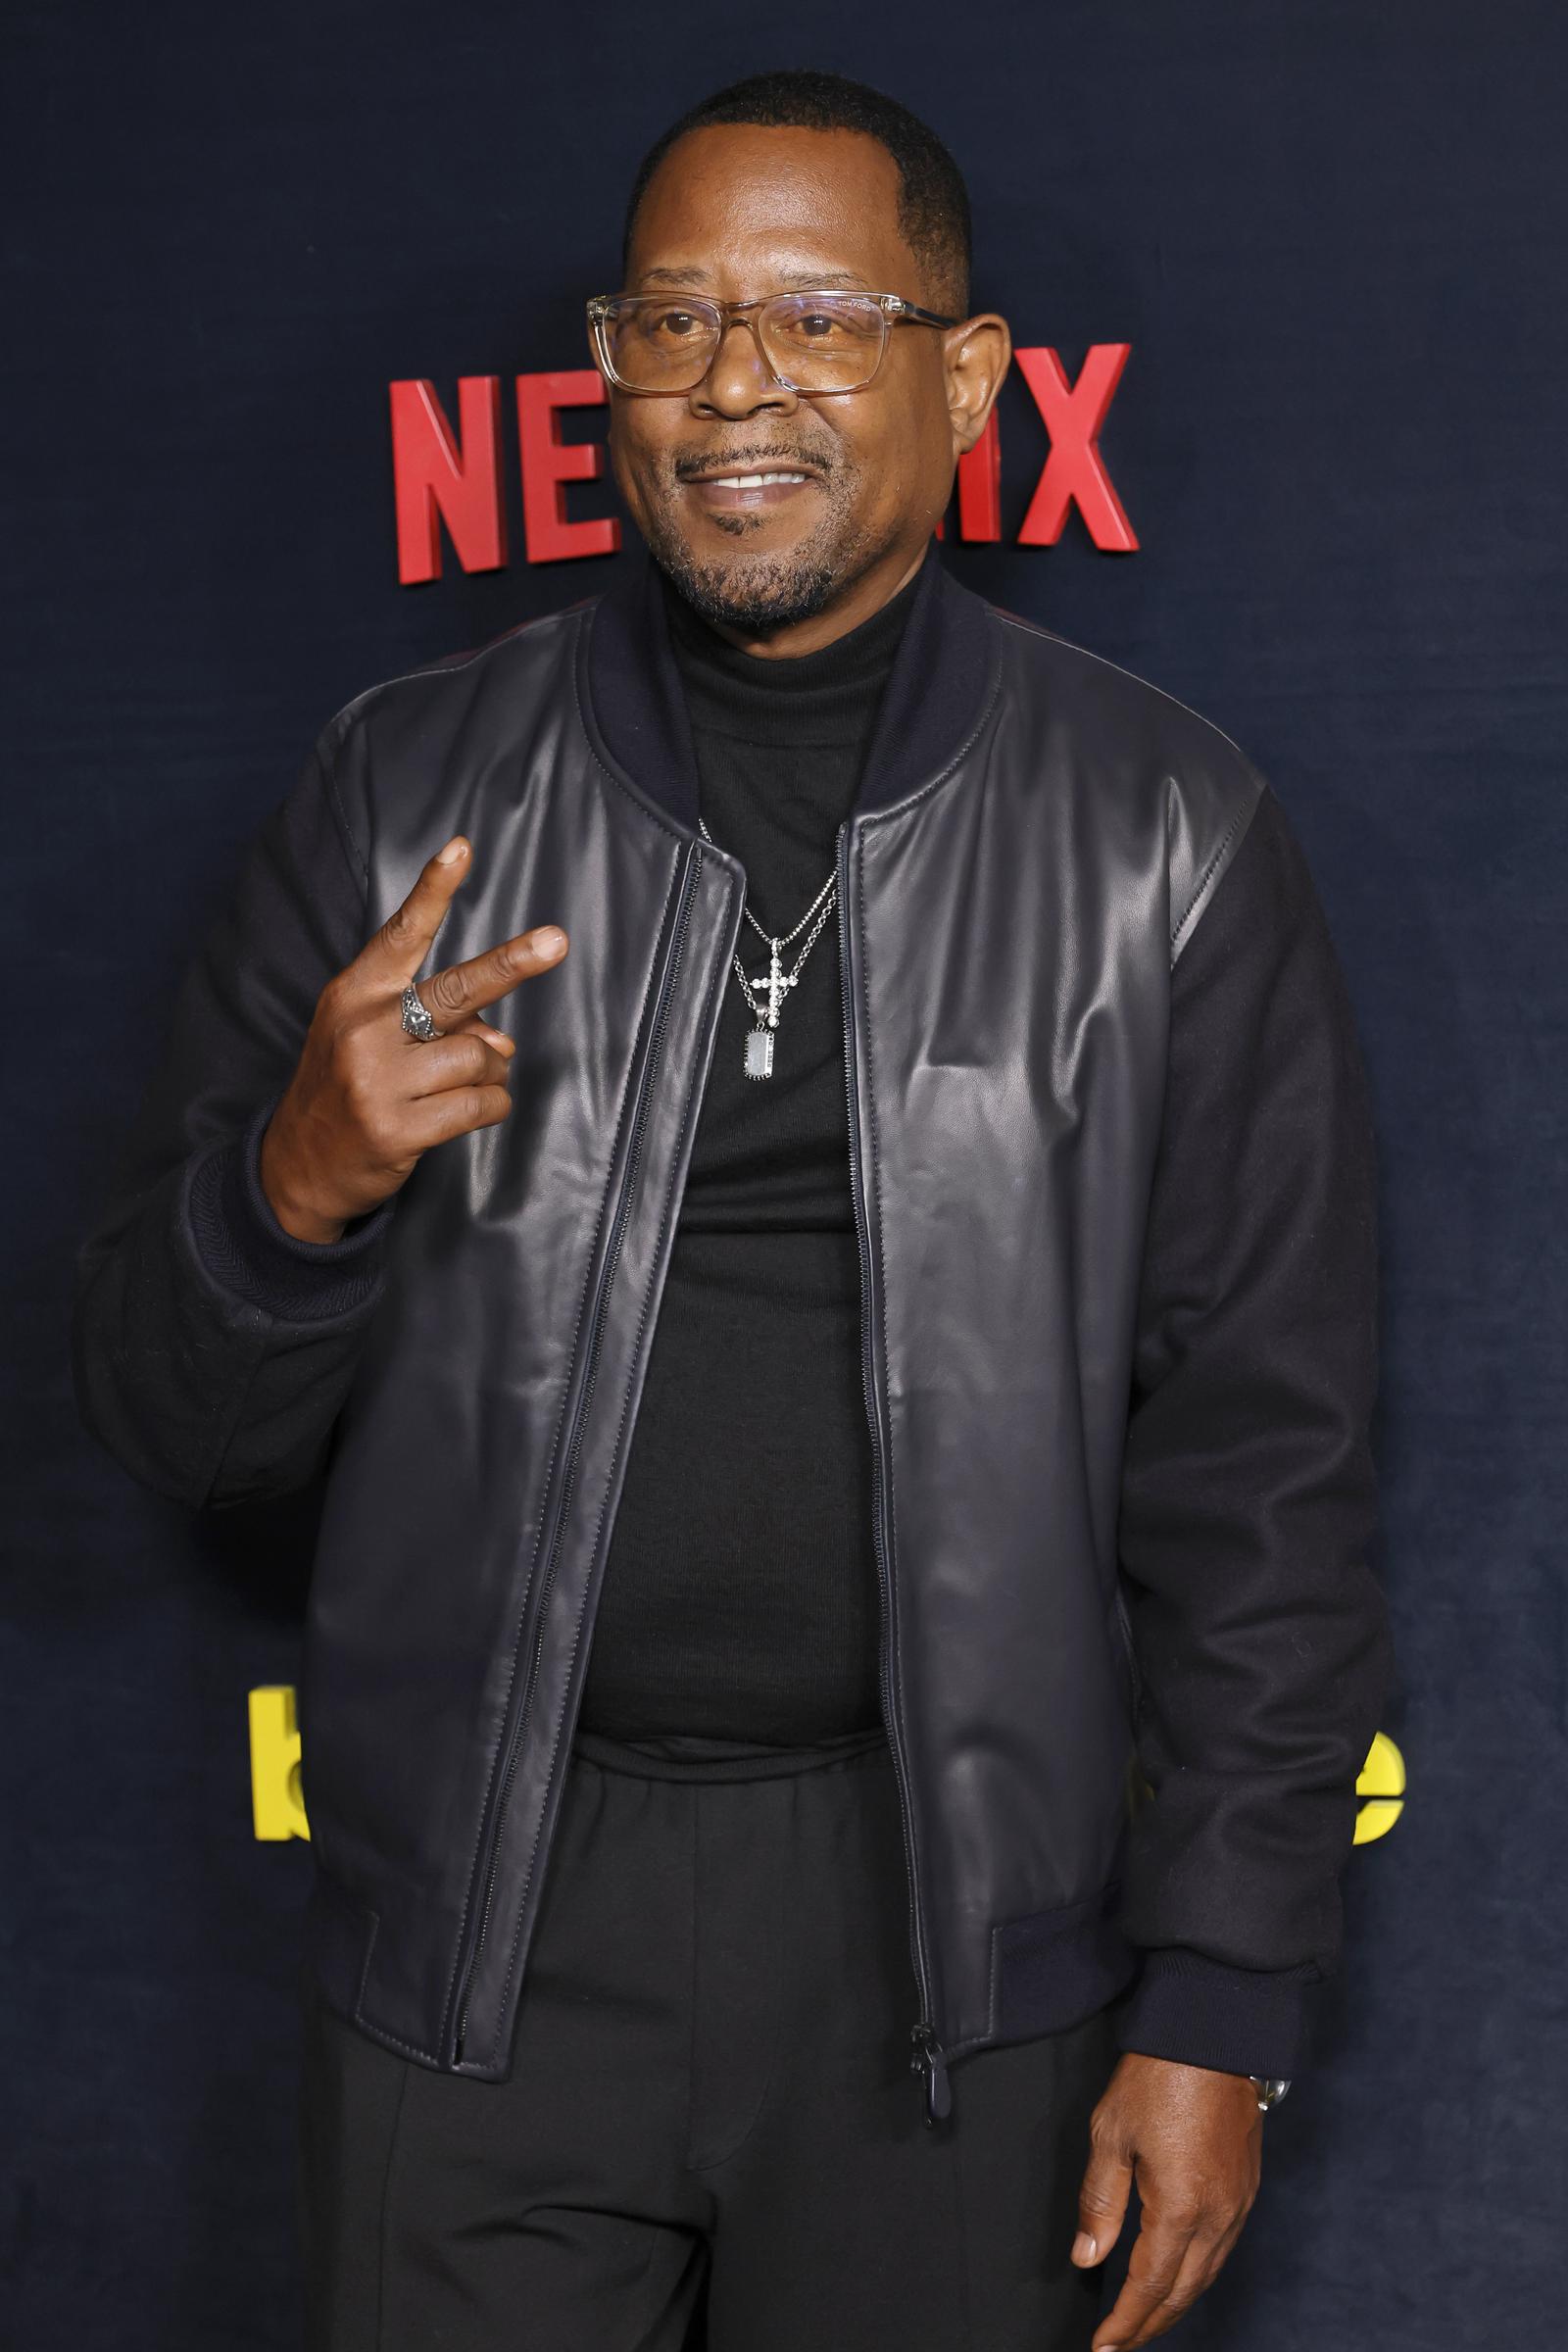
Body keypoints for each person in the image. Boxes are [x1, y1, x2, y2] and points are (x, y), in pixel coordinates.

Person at [70, 67, 1393, 2352]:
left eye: (815, 319)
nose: (731, 384)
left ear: (962, 380)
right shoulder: (402, 792)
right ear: (607, 370)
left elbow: (1261, 1471)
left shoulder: (1161, 837)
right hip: (480, 1937)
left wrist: (1222, 1995)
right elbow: (168, 1422)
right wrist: (293, 1194)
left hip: (946, 1952)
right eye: (671, 320)